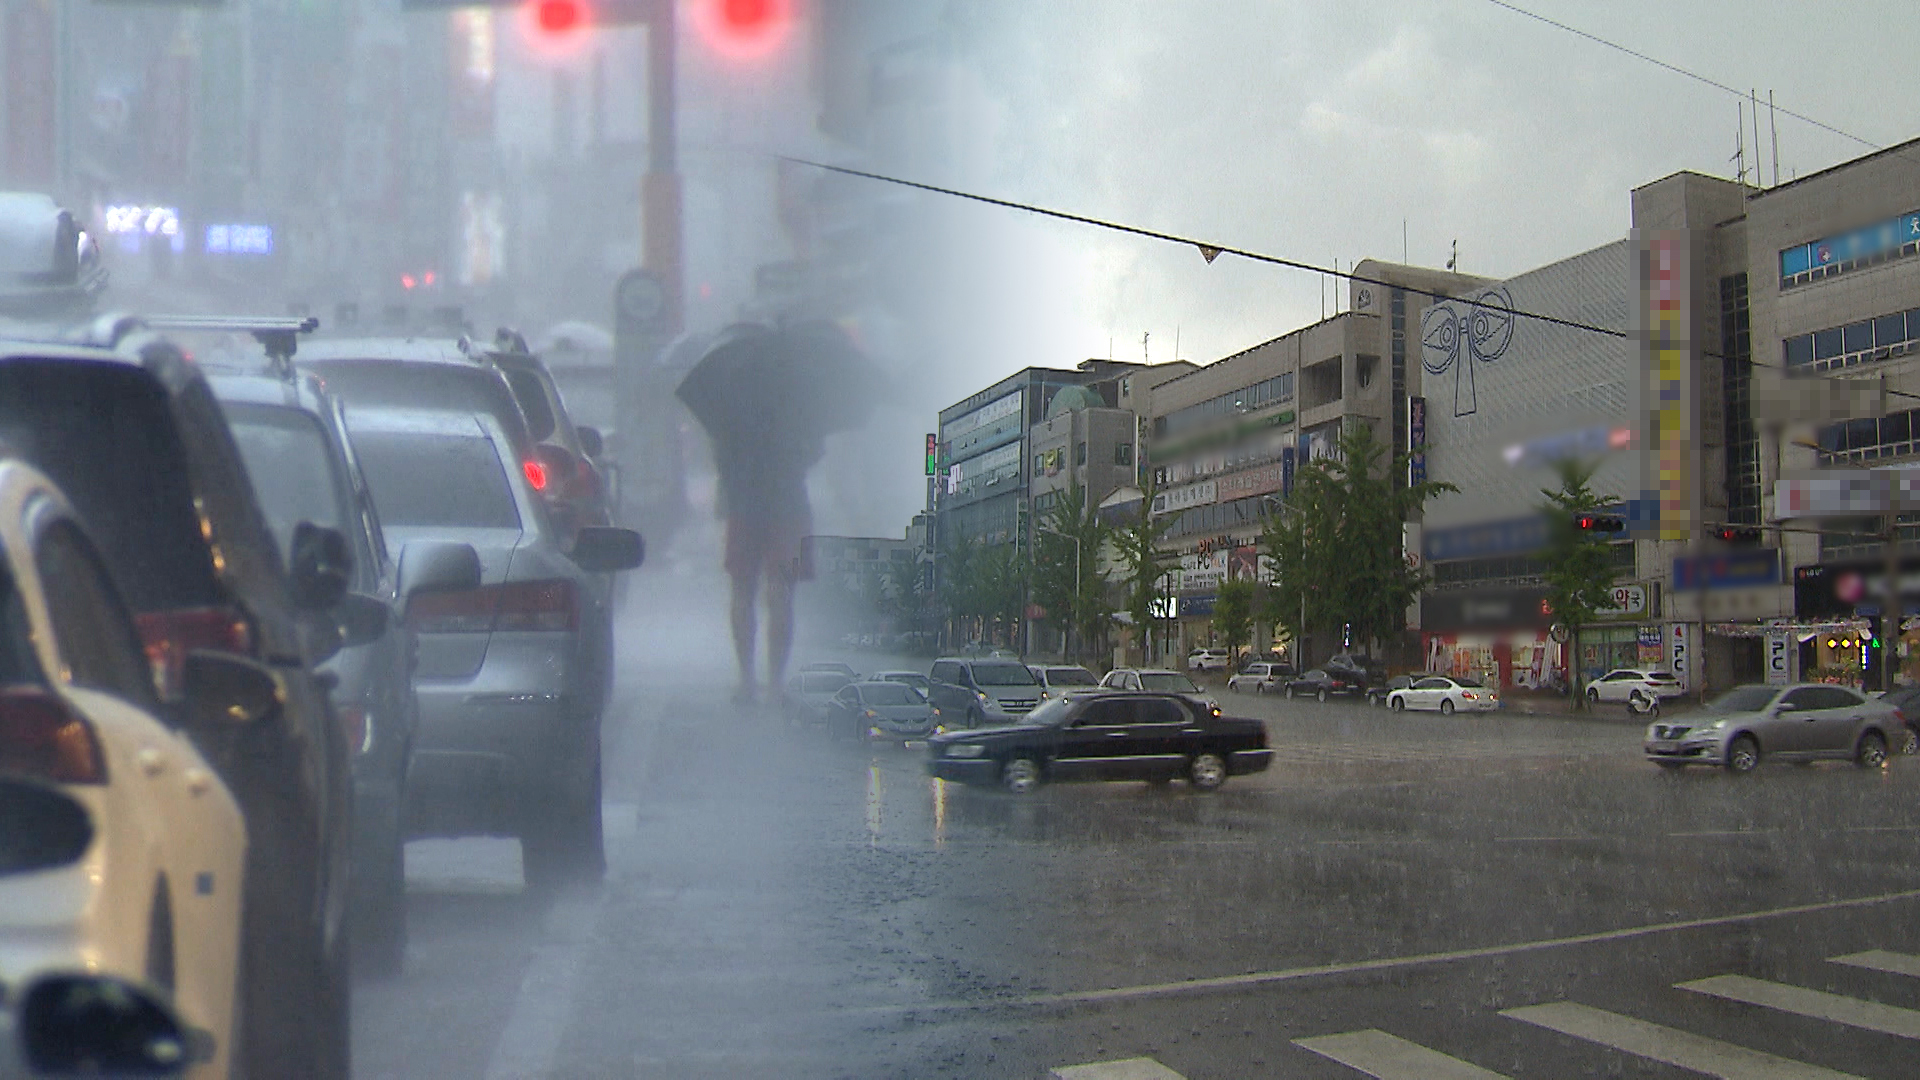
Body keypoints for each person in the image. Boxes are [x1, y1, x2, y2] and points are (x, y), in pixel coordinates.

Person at [715, 430, 823, 703]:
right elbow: (814, 451)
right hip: (790, 504)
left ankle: (747, 681)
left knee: (741, 590)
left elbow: (721, 452)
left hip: (743, 501)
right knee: (782, 592)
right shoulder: (798, 402)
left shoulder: (733, 403)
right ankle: (775, 683)